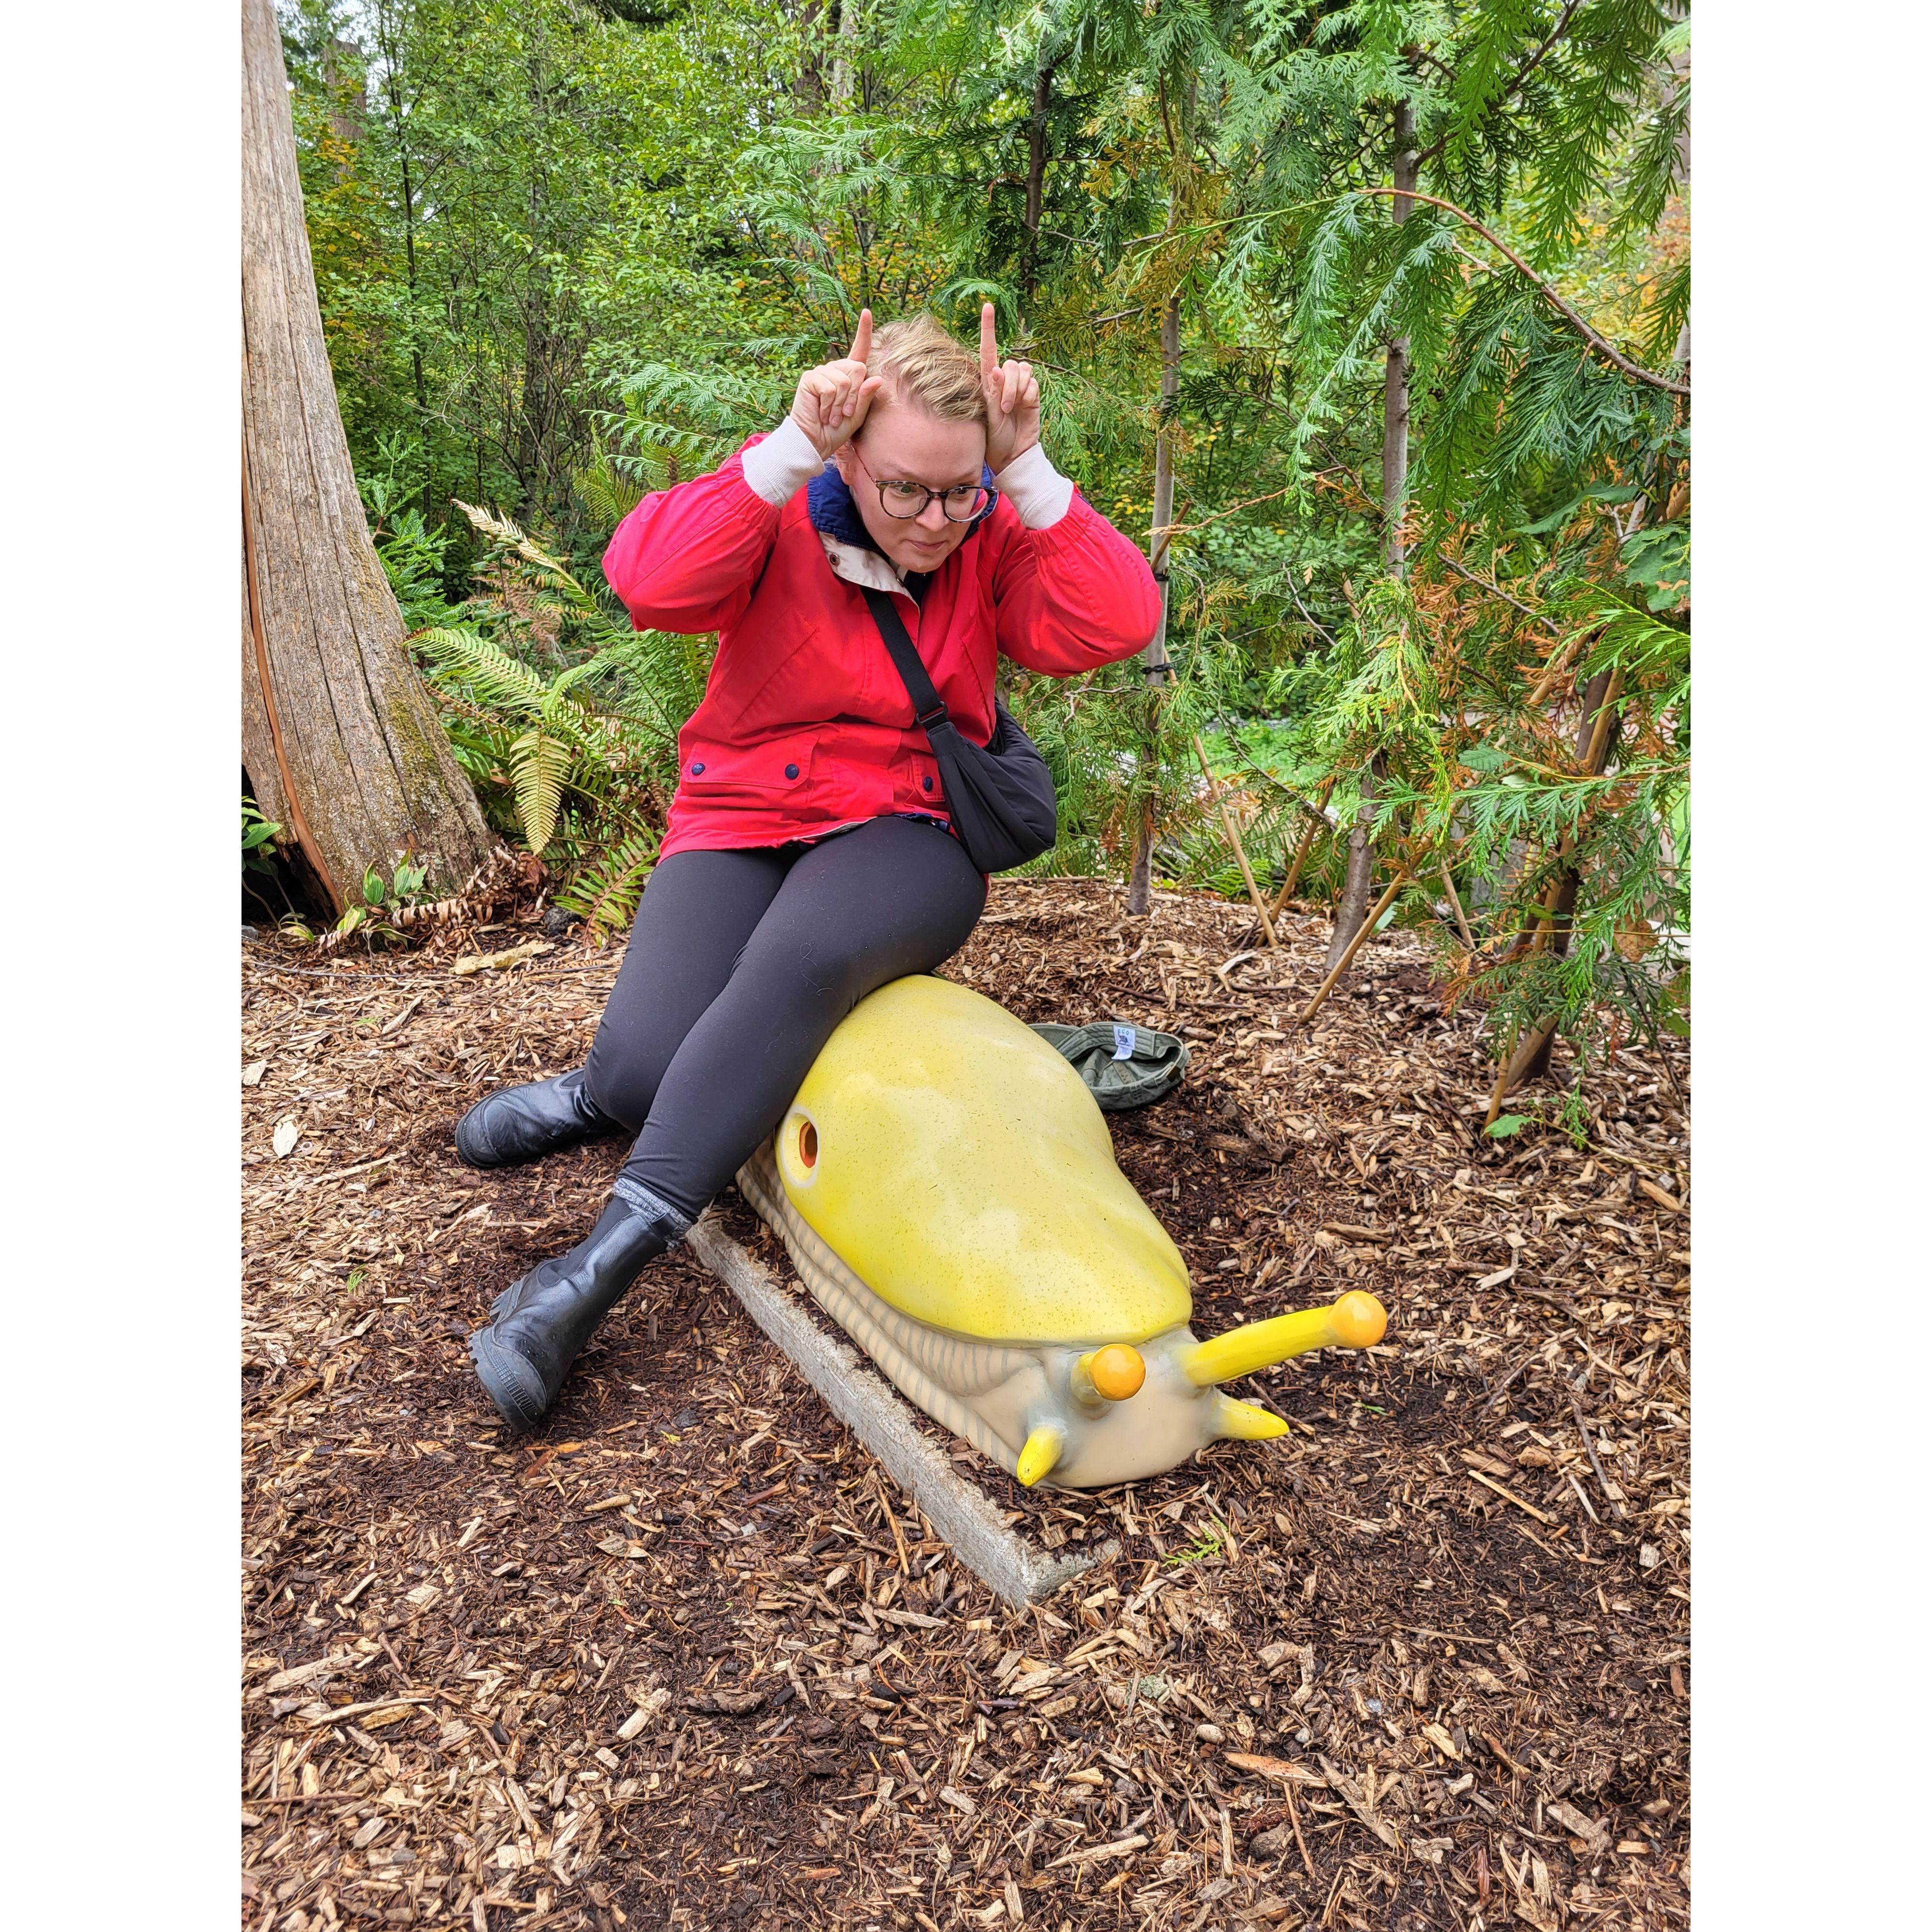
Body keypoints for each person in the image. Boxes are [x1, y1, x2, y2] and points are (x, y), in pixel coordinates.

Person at [459, 304, 1162, 1429]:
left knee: (801, 960)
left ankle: (586, 1273)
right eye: (904, 489)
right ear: (847, 455)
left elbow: (1119, 618)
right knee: (648, 1070)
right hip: (745, 809)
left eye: (959, 488)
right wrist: (784, 446)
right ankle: (599, 1095)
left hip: (911, 828)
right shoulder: (782, 514)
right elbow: (646, 581)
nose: (934, 518)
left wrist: (1026, 473)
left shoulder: (989, 536)